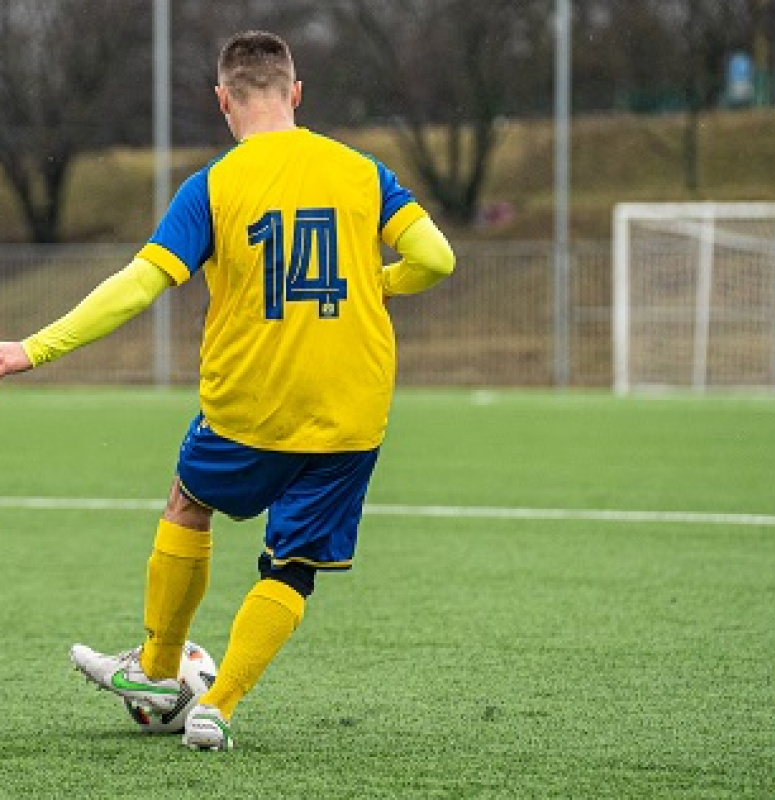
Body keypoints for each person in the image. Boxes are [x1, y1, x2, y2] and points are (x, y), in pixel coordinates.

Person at [0, 30, 454, 751]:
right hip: (354, 411)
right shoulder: (363, 172)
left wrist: (33, 347)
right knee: (294, 565)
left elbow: (138, 286)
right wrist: (382, 282)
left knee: (190, 500)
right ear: (296, 94)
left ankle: (156, 668)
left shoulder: (213, 185)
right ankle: (219, 707)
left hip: (250, 405)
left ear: (223, 101)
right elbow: (438, 256)